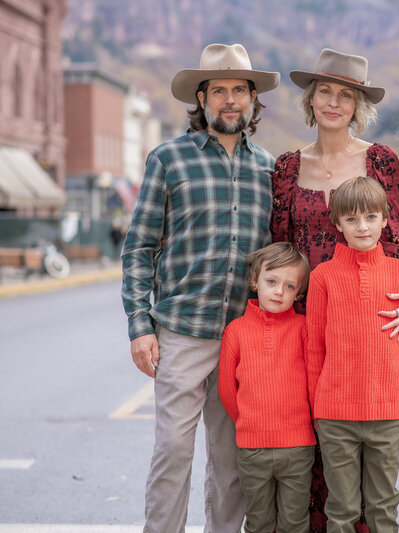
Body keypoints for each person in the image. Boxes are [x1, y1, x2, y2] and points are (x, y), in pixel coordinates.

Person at [120, 43, 280, 533]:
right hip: (183, 330)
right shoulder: (168, 159)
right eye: (218, 91)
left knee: (230, 460)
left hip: (243, 338)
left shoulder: (270, 169)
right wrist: (139, 325)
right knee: (172, 449)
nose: (229, 100)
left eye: (238, 90)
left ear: (252, 99)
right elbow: (139, 247)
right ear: (202, 98)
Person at [271, 47, 399, 531]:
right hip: (304, 322)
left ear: (358, 105)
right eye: (324, 93)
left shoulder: (379, 160)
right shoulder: (288, 168)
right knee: (310, 453)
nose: (333, 103)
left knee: (374, 484)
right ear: (311, 101)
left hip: (367, 316)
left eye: (345, 95)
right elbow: (277, 245)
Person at [306, 176, 399, 532]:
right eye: (352, 219)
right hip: (335, 415)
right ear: (338, 223)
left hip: (386, 412)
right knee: (341, 509)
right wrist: (316, 406)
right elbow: (314, 347)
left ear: (386, 219)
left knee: (383, 505)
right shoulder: (322, 277)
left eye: (371, 217)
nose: (362, 227)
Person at [218, 242, 315, 533]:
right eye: (272, 282)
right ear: (254, 280)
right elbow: (226, 389)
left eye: (289, 286)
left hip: (298, 447)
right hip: (252, 448)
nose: (278, 292)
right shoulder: (236, 330)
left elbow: (313, 380)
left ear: (298, 293)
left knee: (294, 522)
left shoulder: (303, 327)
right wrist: (249, 422)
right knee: (258, 521)